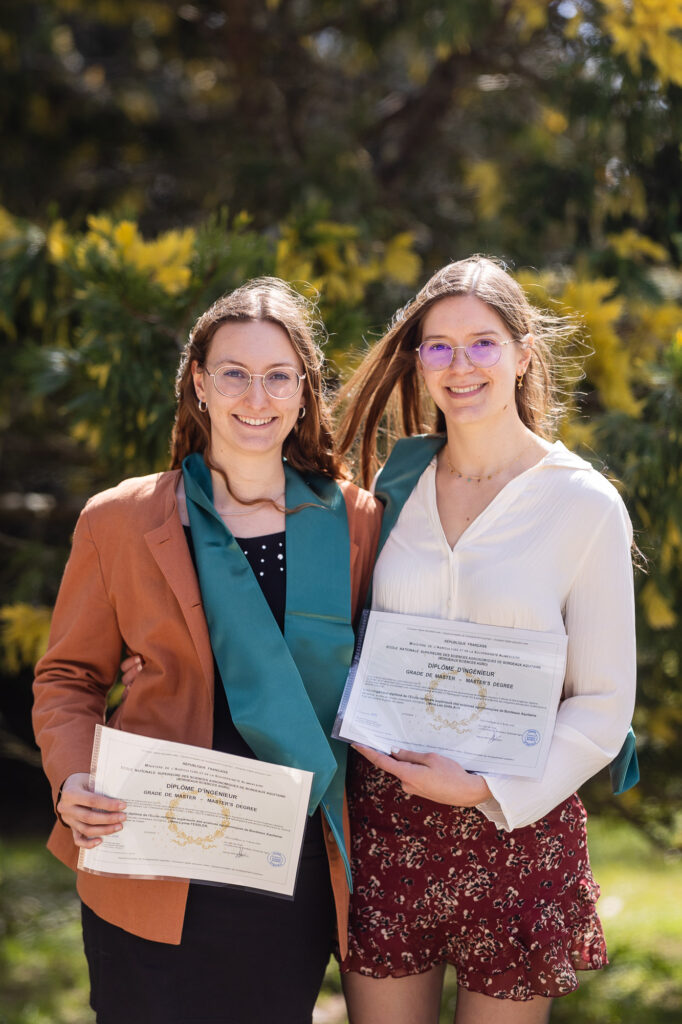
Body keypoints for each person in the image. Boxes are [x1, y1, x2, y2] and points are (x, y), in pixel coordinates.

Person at [32, 277, 381, 1024]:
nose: (257, 397)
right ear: (198, 382)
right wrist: (72, 777)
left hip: (288, 861)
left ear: (304, 390)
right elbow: (68, 676)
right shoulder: (119, 521)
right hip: (149, 850)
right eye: (234, 373)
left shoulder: (353, 521)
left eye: (278, 376)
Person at [333, 255, 636, 1024]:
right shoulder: (389, 488)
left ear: (523, 354)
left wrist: (487, 792)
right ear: (419, 361)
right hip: (388, 823)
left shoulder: (584, 504)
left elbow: (604, 704)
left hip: (516, 827)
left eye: (482, 344)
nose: (459, 365)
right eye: (439, 346)